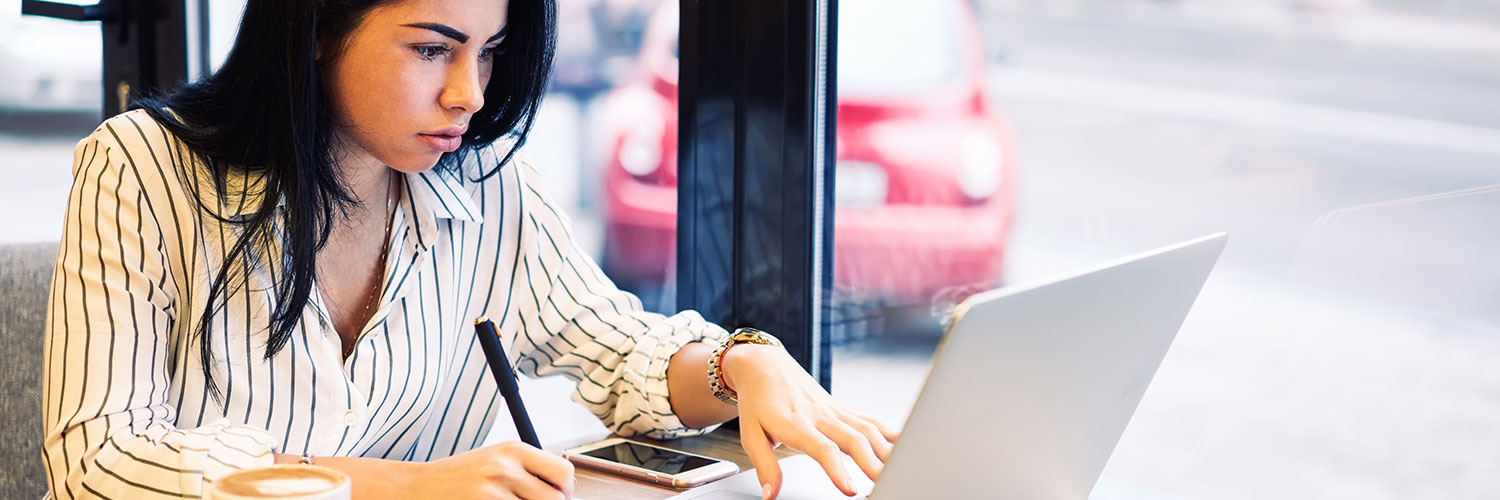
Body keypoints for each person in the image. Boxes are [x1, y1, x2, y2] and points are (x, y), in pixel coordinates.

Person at [39, 0, 896, 499]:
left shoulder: (488, 191)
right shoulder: (140, 168)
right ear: (316, 27)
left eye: (488, 53)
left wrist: (739, 366)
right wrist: (407, 487)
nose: (469, 94)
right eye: (431, 48)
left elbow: (619, 348)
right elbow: (97, 461)